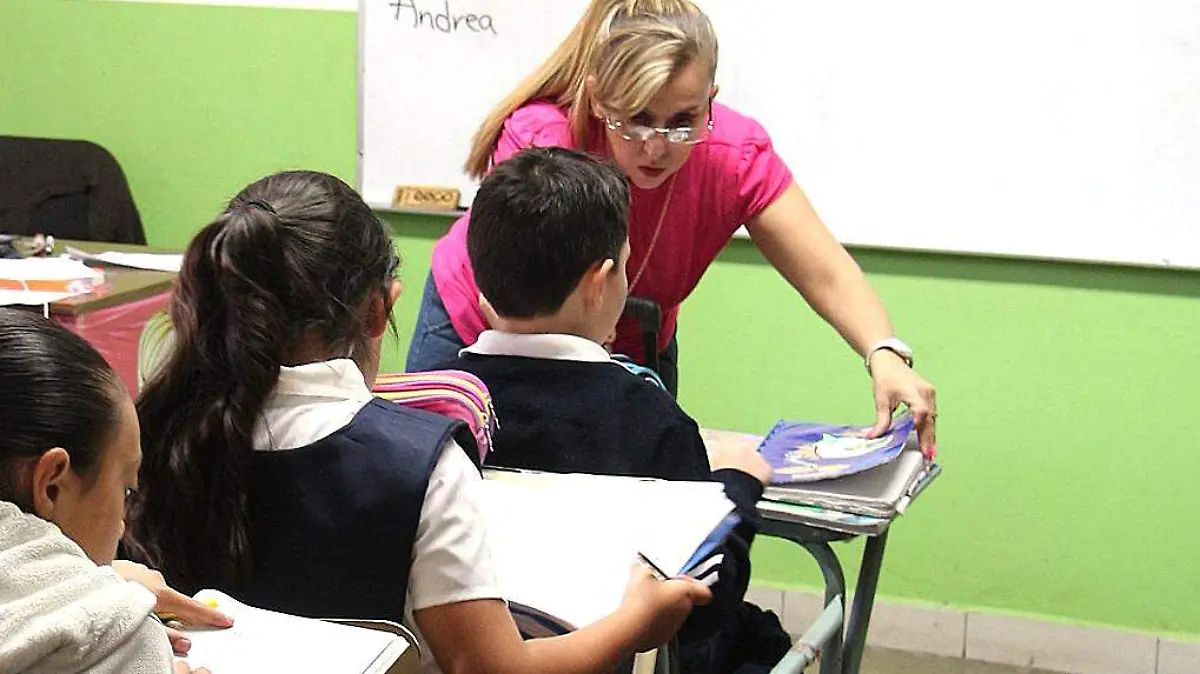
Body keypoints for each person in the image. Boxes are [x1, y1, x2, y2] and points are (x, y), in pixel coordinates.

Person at [123, 170, 712, 674]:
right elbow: (490, 668)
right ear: (380, 308)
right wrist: (637, 622)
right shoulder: (419, 464)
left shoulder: (149, 428)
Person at [406, 0, 938, 455]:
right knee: (453, 487)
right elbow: (516, 298)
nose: (656, 147)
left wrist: (883, 351)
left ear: (711, 98)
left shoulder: (733, 155)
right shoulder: (542, 138)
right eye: (634, 119)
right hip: (489, 326)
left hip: (632, 336)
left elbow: (825, 272)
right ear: (597, 98)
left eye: (683, 119)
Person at [440, 147, 790, 673]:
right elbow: (702, 598)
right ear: (600, 283)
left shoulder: (434, 406)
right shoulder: (647, 417)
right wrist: (738, 486)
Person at [0, 308, 230, 674]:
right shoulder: (110, 640)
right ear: (52, 485)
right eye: (126, 490)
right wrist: (105, 613)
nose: (122, 527)